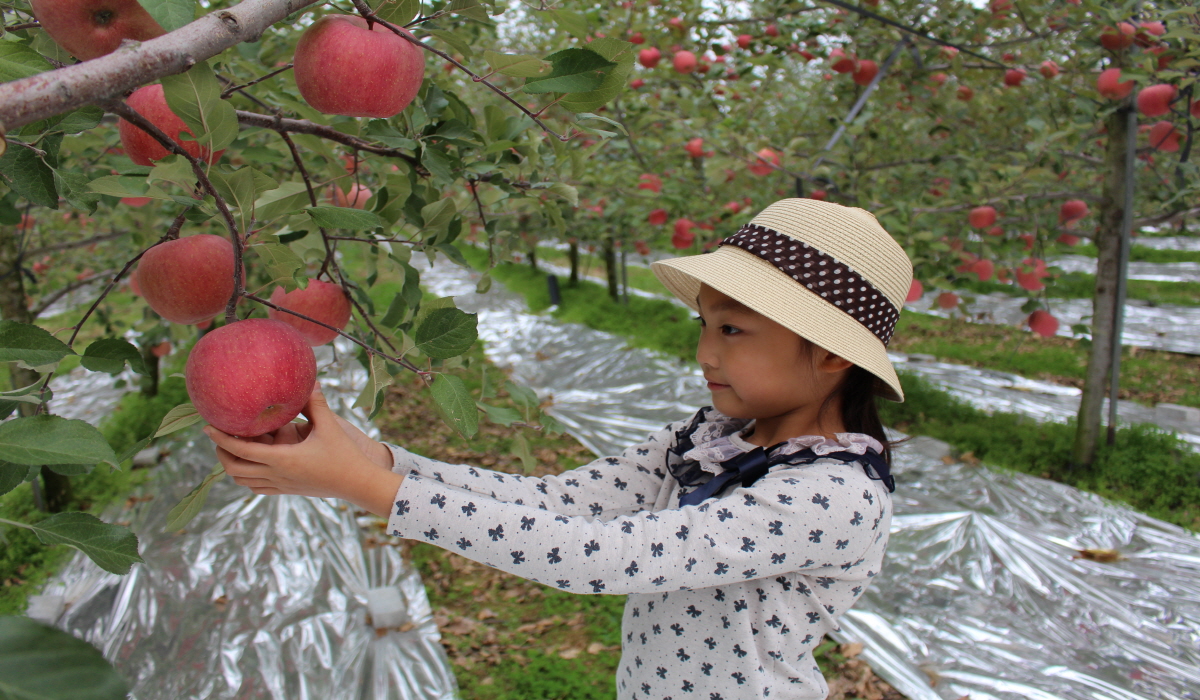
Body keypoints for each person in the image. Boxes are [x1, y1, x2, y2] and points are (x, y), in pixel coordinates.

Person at [205, 198, 913, 700]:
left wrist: (375, 494)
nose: (703, 352)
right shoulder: (711, 440)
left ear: (827, 357)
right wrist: (379, 461)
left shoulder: (829, 497)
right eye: (705, 324)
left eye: (732, 331)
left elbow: (604, 557)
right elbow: (558, 503)